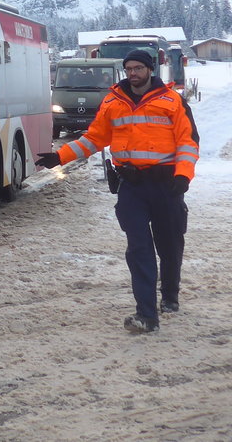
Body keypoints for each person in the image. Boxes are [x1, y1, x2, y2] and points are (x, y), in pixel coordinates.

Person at [35, 49, 199, 333]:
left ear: (150, 69)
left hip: (166, 185)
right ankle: (146, 315)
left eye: (138, 68)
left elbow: (188, 142)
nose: (133, 73)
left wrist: (183, 176)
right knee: (138, 248)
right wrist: (60, 157)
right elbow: (94, 138)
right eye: (129, 68)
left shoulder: (172, 101)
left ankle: (170, 295)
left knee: (169, 244)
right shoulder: (113, 102)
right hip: (131, 187)